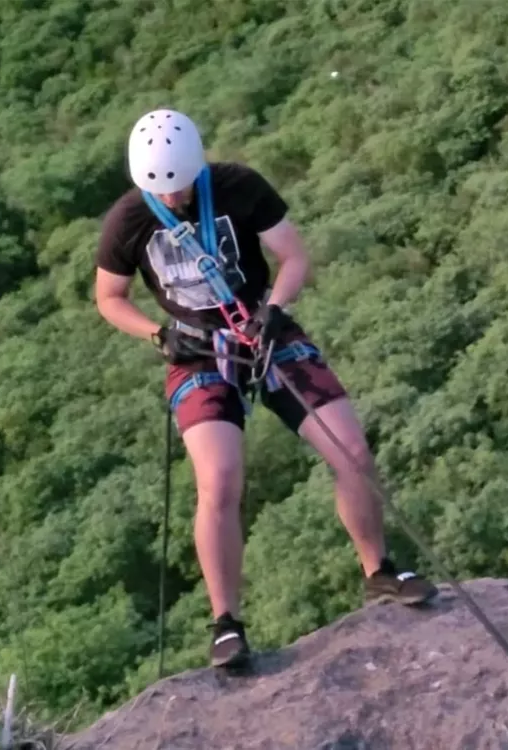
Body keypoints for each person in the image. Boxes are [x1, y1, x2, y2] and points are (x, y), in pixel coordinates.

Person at [93, 108, 438, 670]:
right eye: (163, 188)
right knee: (219, 478)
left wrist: (275, 309)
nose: (174, 197)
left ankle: (378, 570)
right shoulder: (129, 220)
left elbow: (293, 256)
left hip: (261, 328)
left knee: (352, 451)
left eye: (181, 184)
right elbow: (109, 298)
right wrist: (159, 334)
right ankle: (225, 624)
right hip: (197, 349)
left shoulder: (237, 187)